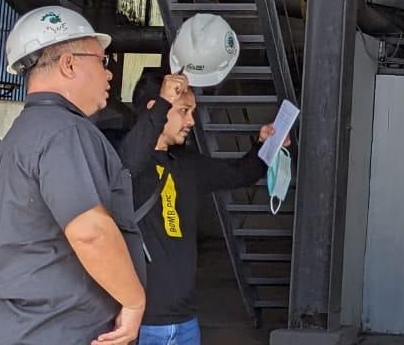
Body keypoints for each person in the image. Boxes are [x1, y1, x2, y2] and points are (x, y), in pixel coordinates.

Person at [0, 6, 146, 345]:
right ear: (70, 64)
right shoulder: (65, 132)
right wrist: (134, 300)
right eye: (102, 61)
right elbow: (90, 231)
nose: (110, 73)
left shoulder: (15, 141)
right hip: (54, 330)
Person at [121, 60, 288, 345]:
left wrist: (265, 145)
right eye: (184, 111)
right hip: (142, 324)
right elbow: (130, 161)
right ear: (156, 111)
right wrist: (164, 101)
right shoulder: (124, 163)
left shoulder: (187, 164)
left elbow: (241, 174)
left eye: (193, 112)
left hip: (186, 322)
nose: (191, 121)